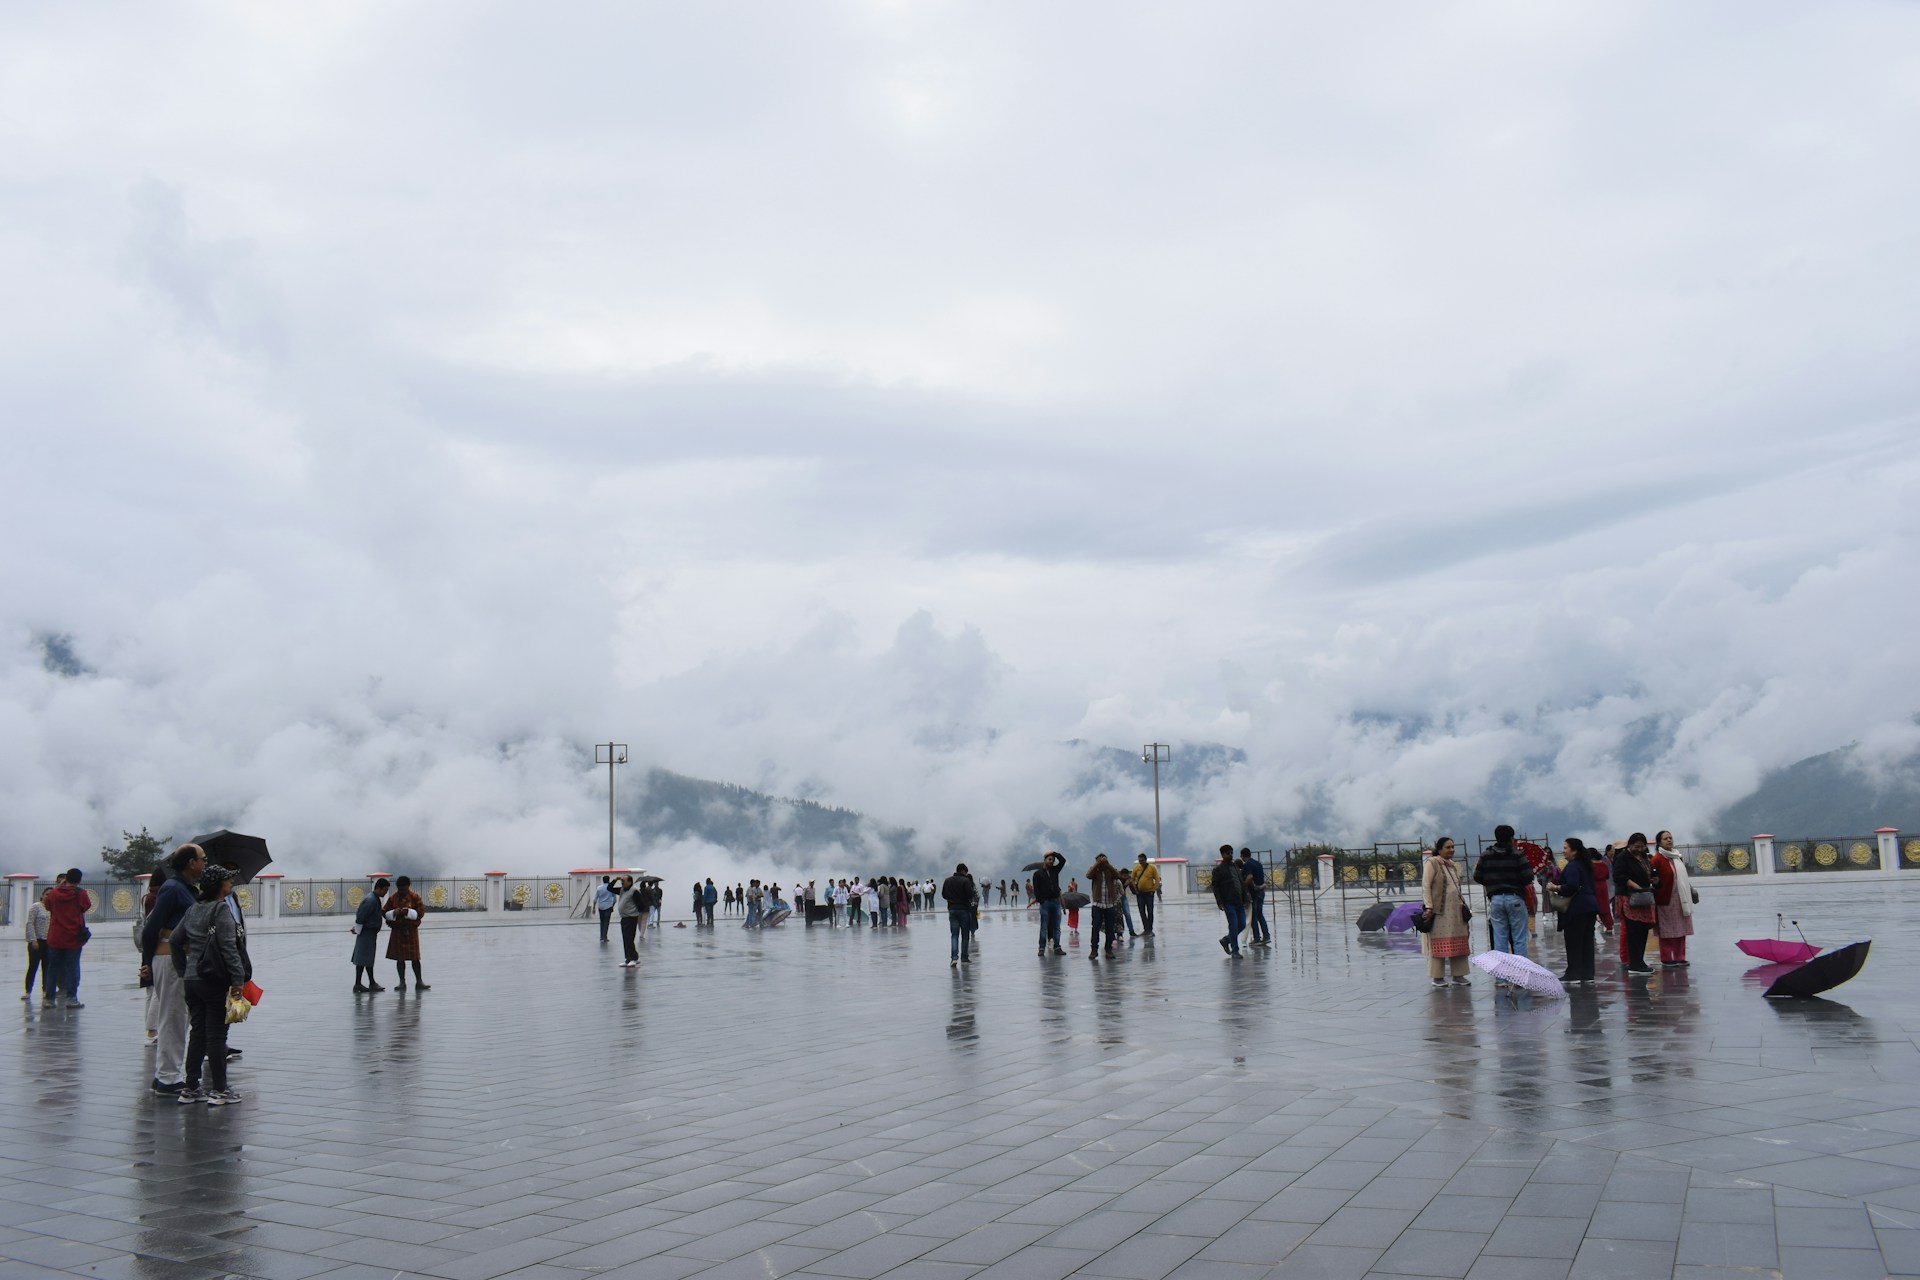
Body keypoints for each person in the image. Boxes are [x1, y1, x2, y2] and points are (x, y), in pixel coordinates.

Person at [174, 864, 249, 1105]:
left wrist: (183, 970)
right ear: (219, 885)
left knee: (198, 1033)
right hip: (214, 979)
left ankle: (191, 1087)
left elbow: (175, 940)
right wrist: (238, 980)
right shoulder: (220, 910)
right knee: (217, 1035)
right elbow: (228, 947)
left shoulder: (193, 909)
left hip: (193, 980)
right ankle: (219, 1089)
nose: (231, 883)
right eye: (228, 880)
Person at [140, 843, 206, 1092]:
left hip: (180, 960)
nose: (204, 863)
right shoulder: (172, 889)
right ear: (191, 863)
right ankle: (167, 1077)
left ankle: (168, 1072)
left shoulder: (187, 889)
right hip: (170, 959)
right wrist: (148, 963)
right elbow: (151, 928)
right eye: (202, 859)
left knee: (180, 1016)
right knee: (173, 1016)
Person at [1472, 825, 1531, 962]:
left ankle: (1501, 979)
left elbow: (1477, 876)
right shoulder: (1517, 854)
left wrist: (1492, 883)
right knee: (1519, 939)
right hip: (1515, 898)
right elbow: (1528, 877)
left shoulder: (1486, 855)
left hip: (1496, 899)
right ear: (1511, 838)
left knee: (1499, 938)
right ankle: (1520, 975)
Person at [1548, 839, 1601, 984]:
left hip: (1577, 908)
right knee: (1587, 942)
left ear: (1574, 850)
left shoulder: (1572, 867)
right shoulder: (1585, 865)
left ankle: (1574, 973)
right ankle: (1587, 973)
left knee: (1574, 942)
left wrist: (1556, 888)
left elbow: (1571, 886)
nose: (1563, 850)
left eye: (1566, 848)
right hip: (1590, 906)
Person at [1421, 839, 1471, 986]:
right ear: (1439, 849)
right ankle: (1437, 978)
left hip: (1456, 911)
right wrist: (1429, 906)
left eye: (1453, 847)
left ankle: (1458, 975)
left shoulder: (1452, 865)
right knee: (1438, 944)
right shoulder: (1432, 863)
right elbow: (1426, 885)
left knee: (1459, 942)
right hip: (1439, 912)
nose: (1451, 850)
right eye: (1448, 847)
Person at [43, 869, 92, 1008]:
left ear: (66, 879)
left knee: (52, 968)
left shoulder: (53, 893)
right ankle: (71, 998)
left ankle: (49, 999)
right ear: (79, 880)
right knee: (72, 968)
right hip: (74, 938)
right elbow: (86, 906)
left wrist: (59, 886)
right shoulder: (80, 894)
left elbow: (47, 906)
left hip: (55, 937)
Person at [1612, 834, 1657, 975]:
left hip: (1643, 896)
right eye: (1636, 846)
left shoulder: (1643, 857)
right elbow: (1618, 876)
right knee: (1633, 930)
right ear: (1629, 845)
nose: (1639, 849)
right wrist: (1633, 884)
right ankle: (1634, 963)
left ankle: (1639, 960)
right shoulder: (1623, 858)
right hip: (1629, 897)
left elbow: (1649, 872)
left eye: (1642, 846)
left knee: (1643, 930)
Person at [1651, 830, 1695, 968]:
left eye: (1670, 838)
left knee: (1681, 929)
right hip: (1666, 899)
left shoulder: (1677, 857)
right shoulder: (1657, 859)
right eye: (1665, 838)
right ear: (1659, 843)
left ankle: (1680, 957)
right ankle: (1666, 958)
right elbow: (1653, 879)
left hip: (1681, 899)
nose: (1669, 840)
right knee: (1667, 931)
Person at [384, 876, 430, 990]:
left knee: (415, 958)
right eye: (400, 889)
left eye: (404, 889)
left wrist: (408, 912)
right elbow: (384, 912)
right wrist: (394, 913)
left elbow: (421, 912)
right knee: (400, 958)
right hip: (398, 931)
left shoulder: (415, 897)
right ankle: (402, 982)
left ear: (408, 887)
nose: (402, 891)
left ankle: (419, 981)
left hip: (411, 931)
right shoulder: (392, 898)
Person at [352, 878, 390, 990]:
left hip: (370, 933)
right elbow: (361, 916)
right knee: (363, 958)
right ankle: (360, 983)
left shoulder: (375, 899)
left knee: (366, 958)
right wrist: (357, 929)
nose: (385, 893)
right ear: (378, 888)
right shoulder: (370, 900)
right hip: (366, 933)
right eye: (385, 890)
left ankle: (370, 982)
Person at [1086, 854, 1127, 959]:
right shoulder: (1094, 870)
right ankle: (1094, 950)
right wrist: (1097, 864)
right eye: (1100, 860)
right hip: (1097, 904)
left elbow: (1118, 876)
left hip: (1110, 904)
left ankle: (1108, 949)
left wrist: (1108, 865)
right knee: (1095, 927)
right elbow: (1088, 875)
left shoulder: (1111, 869)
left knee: (1110, 928)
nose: (1102, 862)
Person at [1210, 846, 1246, 956]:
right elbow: (1215, 887)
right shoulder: (1218, 870)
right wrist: (1219, 902)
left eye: (1231, 853)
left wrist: (1245, 897)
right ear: (1222, 854)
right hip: (1228, 902)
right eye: (1227, 853)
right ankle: (1235, 950)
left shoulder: (1235, 867)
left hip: (1239, 901)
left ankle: (1226, 940)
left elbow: (1240, 883)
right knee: (1233, 925)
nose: (1230, 855)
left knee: (1242, 924)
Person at [941, 862, 978, 966]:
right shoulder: (965, 881)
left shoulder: (947, 880)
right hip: (964, 909)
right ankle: (964, 957)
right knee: (965, 934)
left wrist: (951, 899)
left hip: (952, 910)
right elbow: (971, 895)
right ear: (963, 871)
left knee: (954, 935)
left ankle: (954, 958)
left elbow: (943, 894)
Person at [23, 886, 52, 1003]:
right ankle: (28, 991)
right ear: (42, 895)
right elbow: (30, 923)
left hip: (49, 941)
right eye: (47, 894)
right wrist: (33, 940)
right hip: (37, 941)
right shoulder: (36, 907)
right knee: (33, 967)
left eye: (51, 895)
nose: (48, 897)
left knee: (47, 968)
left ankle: (45, 990)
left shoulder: (53, 908)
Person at [1238, 848, 1271, 947]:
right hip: (1261, 892)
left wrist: (1243, 886)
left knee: (1253, 916)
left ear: (1243, 856)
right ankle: (1266, 936)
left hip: (1254, 893)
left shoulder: (1247, 864)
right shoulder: (1258, 863)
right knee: (1260, 915)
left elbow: (1250, 877)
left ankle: (1256, 938)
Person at [615, 876, 646, 965]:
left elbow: (641, 905)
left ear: (629, 881)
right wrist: (614, 880)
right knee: (625, 938)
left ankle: (634, 958)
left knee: (629, 938)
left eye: (623, 880)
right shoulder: (622, 890)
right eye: (621, 881)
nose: (622, 882)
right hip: (624, 918)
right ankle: (628, 958)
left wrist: (634, 913)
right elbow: (610, 888)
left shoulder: (634, 891)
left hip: (631, 917)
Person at [1130, 854, 1159, 937]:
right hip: (1140, 893)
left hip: (1149, 893)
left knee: (1150, 911)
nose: (1141, 862)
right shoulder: (1137, 868)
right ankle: (1146, 929)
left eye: (1142, 860)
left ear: (1146, 860)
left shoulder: (1152, 867)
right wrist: (1135, 888)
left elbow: (1157, 878)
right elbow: (1132, 878)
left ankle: (1150, 929)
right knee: (1142, 911)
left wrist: (1154, 889)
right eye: (1139, 860)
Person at [593, 877, 617, 942]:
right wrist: (612, 906)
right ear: (609, 880)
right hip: (608, 906)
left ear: (603, 880)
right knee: (606, 922)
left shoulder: (599, 888)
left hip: (601, 906)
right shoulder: (611, 888)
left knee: (602, 921)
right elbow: (615, 899)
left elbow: (595, 898)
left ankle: (601, 936)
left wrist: (593, 907)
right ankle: (604, 936)